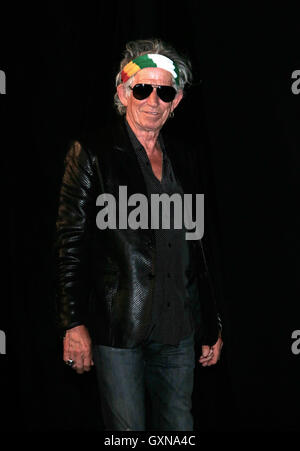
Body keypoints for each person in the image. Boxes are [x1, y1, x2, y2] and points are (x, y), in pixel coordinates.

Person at [55, 38, 223, 431]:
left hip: (179, 329)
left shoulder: (186, 157)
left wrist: (211, 323)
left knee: (179, 431)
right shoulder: (91, 152)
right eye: (142, 88)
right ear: (123, 91)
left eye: (163, 91)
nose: (152, 100)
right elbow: (69, 243)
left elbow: (198, 247)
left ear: (176, 100)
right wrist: (72, 322)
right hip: (119, 329)